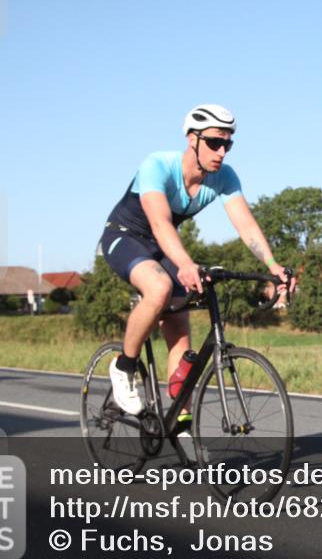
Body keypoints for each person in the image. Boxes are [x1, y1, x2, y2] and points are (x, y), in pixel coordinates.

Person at [99, 104, 293, 416]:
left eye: (227, 144)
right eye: (215, 143)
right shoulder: (158, 165)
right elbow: (160, 223)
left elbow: (245, 224)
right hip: (125, 237)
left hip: (164, 247)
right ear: (193, 139)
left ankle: (180, 415)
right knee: (160, 287)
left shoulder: (224, 177)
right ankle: (124, 366)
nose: (222, 152)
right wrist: (186, 265)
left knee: (181, 325)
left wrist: (273, 266)